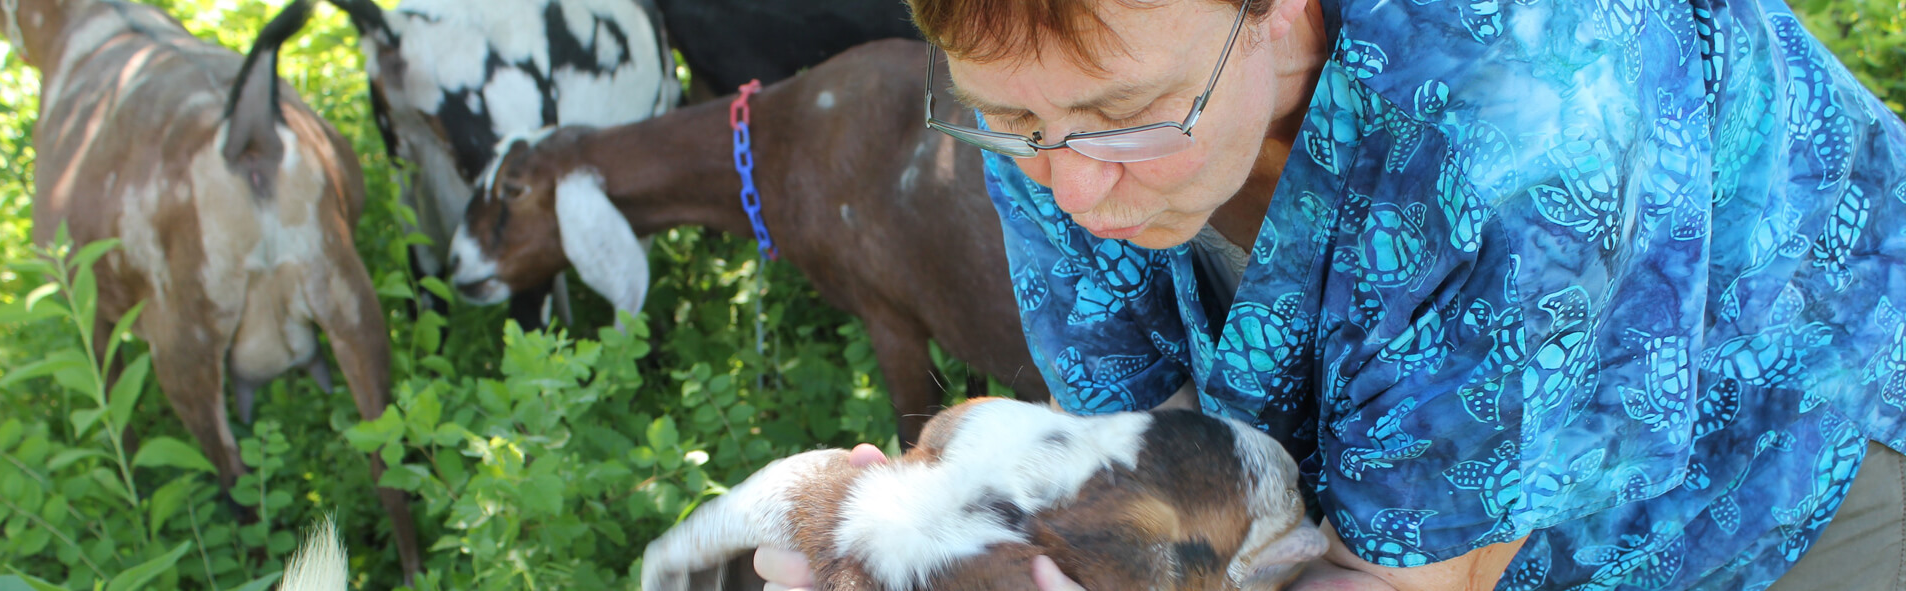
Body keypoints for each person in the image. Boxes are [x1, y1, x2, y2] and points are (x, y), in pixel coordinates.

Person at [755, 0, 1906, 588]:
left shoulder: (1520, 129)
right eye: (1009, 124)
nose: (1070, 185)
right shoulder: (1061, 94)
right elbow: (1161, 477)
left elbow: (1413, 575)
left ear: (1285, 9)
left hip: (1786, 461)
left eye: (1127, 118)